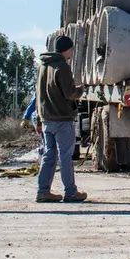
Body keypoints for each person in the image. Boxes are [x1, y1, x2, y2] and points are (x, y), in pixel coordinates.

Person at [36, 35, 87, 203]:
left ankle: (43, 191)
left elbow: (38, 95)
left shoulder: (43, 66)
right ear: (67, 49)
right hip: (62, 119)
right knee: (65, 156)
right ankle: (70, 192)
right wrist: (81, 90)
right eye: (71, 49)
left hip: (46, 119)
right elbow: (69, 93)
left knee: (49, 155)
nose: (71, 52)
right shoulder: (62, 67)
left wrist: (38, 118)